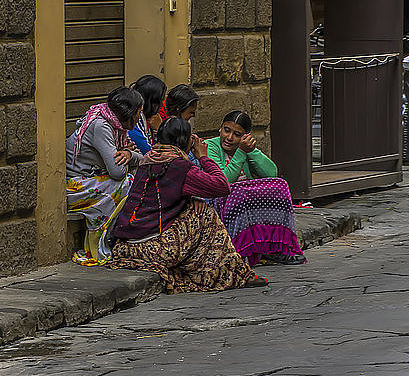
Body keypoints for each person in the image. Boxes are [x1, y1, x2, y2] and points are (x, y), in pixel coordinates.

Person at [108, 118, 267, 293]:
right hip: (153, 249)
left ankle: (212, 268)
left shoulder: (149, 158)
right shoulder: (179, 166)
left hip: (126, 247)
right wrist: (203, 157)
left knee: (196, 207)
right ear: (185, 142)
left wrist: (192, 198)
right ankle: (229, 273)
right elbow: (222, 186)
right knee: (206, 214)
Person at [206, 111, 304, 268]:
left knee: (280, 185)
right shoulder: (210, 146)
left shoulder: (245, 149)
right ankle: (242, 250)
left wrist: (251, 150)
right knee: (237, 191)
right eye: (226, 130)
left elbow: (271, 173)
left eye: (237, 134)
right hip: (221, 201)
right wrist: (241, 152)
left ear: (246, 136)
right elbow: (223, 181)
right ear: (220, 129)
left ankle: (275, 249)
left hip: (246, 202)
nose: (229, 137)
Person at [66, 87, 144, 266]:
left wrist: (129, 155)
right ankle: (102, 245)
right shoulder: (101, 126)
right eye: (138, 113)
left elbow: (137, 158)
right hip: (77, 186)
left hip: (91, 179)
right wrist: (129, 155)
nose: (140, 118)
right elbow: (118, 172)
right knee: (128, 183)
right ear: (128, 114)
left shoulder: (113, 124)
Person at [129, 75, 167, 155]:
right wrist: (159, 130)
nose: (162, 105)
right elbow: (149, 154)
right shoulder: (134, 121)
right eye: (161, 100)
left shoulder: (148, 119)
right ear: (152, 102)